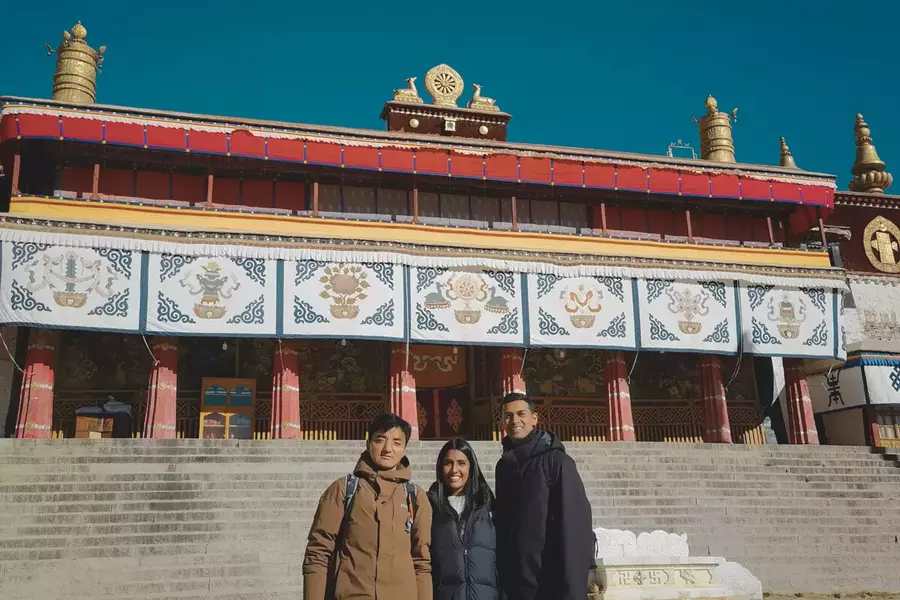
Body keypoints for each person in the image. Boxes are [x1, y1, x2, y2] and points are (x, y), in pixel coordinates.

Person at [303, 414, 433, 600]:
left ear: (404, 449)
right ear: (368, 443)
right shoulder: (344, 489)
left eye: (397, 443)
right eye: (380, 440)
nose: (387, 449)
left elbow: (421, 562)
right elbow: (318, 552)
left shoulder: (415, 496)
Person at [494, 392, 594, 600]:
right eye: (508, 416)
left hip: (549, 586)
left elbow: (575, 532)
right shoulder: (504, 467)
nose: (514, 421)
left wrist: (572, 592)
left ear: (534, 418)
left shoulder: (557, 462)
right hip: (515, 587)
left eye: (521, 414)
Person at [427, 438, 499, 600]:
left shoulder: (488, 506)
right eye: (448, 463)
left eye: (461, 463)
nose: (454, 470)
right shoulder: (430, 506)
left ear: (471, 467)